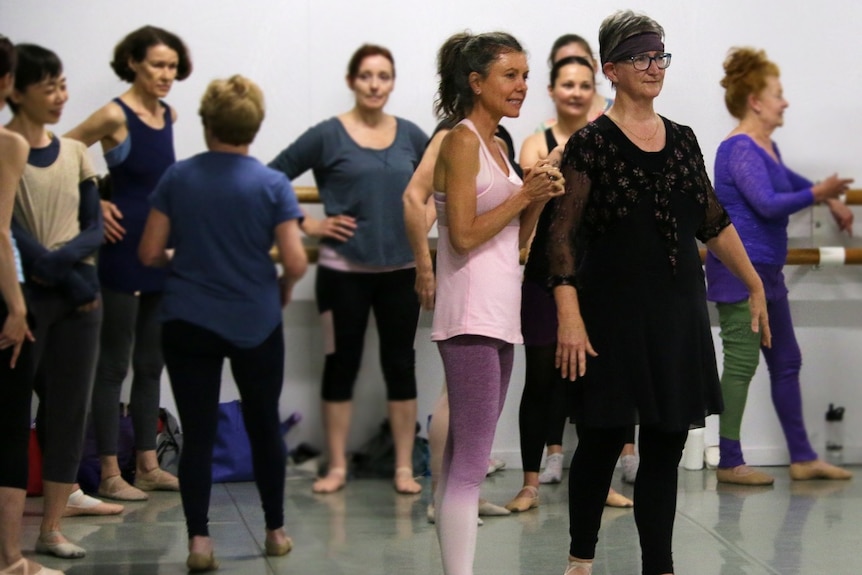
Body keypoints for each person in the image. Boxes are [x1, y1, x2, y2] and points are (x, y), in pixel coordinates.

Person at [546, 11, 770, 575]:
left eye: (659, 56)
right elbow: (562, 239)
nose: (653, 67)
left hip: (677, 311)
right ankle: (580, 559)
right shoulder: (590, 145)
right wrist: (569, 317)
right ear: (611, 68)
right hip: (610, 315)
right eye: (641, 57)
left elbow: (712, 221)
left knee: (667, 444)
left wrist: (753, 280)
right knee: (600, 440)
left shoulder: (685, 139)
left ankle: (659, 566)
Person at [139, 74, 307, 571]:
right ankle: (275, 531)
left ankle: (199, 543)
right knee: (263, 426)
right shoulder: (272, 184)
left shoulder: (178, 178)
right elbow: (295, 261)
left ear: (206, 122)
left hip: (188, 320)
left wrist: (187, 259)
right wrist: (282, 287)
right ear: (254, 127)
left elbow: (149, 251)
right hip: (256, 319)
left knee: (198, 429)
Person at [430, 31, 564, 575]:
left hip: (497, 315)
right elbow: (462, 235)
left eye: (526, 76)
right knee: (470, 466)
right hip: (470, 317)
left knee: (459, 460)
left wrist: (537, 194)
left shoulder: (498, 144)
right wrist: (523, 196)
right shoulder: (461, 141)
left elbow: (516, 240)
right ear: (476, 81)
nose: (522, 86)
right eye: (511, 76)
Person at [269, 44, 427, 495]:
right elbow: (271, 177)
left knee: (401, 365)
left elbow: (437, 188)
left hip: (400, 271)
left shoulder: (412, 136)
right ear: (351, 81)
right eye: (366, 76)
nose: (375, 84)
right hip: (342, 274)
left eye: (383, 76)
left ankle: (401, 466)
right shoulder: (327, 135)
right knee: (341, 365)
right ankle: (336, 465)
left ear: (393, 82)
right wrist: (309, 222)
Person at [705, 47, 853, 486]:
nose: (785, 102)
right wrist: (820, 192)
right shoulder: (738, 148)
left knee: (786, 361)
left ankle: (803, 458)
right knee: (741, 364)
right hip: (737, 273)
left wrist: (824, 195)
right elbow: (769, 205)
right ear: (756, 101)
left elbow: (790, 184)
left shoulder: (766, 147)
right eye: (778, 93)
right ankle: (730, 460)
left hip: (768, 274)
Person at [66, 25, 192, 501]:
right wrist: (94, 198)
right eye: (158, 65)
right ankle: (109, 472)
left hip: (162, 249)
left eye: (173, 68)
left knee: (152, 361)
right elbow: (61, 151)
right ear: (135, 62)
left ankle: (146, 463)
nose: (166, 75)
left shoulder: (169, 113)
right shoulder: (113, 115)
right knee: (113, 363)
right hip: (121, 252)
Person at [507, 55, 633, 513]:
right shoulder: (535, 143)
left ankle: (598, 482)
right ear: (553, 90)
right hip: (543, 275)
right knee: (540, 379)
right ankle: (529, 483)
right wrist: (553, 164)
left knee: (596, 379)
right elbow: (528, 213)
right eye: (567, 84)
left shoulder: (610, 142)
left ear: (594, 90)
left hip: (594, 279)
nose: (576, 92)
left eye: (584, 84)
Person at [7, 43, 106, 560]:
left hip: (79, 299)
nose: (60, 96)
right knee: (15, 408)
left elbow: (94, 228)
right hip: (25, 300)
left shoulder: (75, 152)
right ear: (16, 91)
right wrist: (54, 270)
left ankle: (51, 528)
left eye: (62, 84)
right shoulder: (5, 149)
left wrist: (65, 272)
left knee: (69, 412)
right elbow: (13, 235)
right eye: (48, 87)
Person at [0, 35, 64, 575]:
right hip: (3, 295)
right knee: (9, 421)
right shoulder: (8, 144)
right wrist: (17, 306)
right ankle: (10, 558)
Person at [539, 34, 613, 129]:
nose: (575, 68)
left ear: (595, 66)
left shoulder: (620, 111)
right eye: (565, 63)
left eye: (582, 61)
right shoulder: (545, 131)